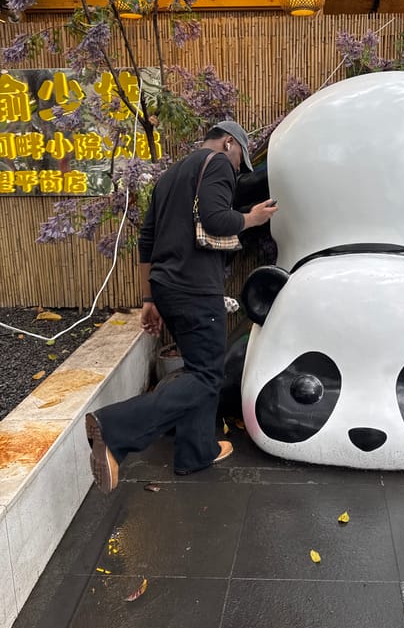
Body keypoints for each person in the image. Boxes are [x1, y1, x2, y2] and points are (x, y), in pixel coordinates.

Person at [85, 121, 278, 494]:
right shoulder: (218, 163)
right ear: (228, 144)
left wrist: (149, 299)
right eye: (241, 163)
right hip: (195, 288)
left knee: (197, 369)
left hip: (168, 287)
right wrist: (252, 218)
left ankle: (196, 452)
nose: (238, 171)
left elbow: (146, 241)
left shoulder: (170, 175)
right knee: (207, 376)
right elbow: (215, 218)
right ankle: (114, 429)